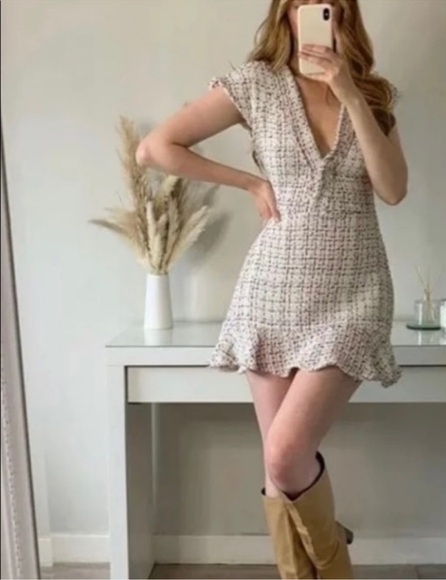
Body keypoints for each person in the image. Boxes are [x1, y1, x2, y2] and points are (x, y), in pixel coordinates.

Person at [137, 0, 407, 576]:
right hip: (272, 292)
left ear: (345, 14)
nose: (313, 12)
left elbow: (393, 189)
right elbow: (155, 148)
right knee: (277, 467)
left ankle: (333, 560)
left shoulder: (374, 93)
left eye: (327, 3)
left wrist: (350, 93)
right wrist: (248, 182)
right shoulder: (255, 84)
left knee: (286, 455)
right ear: (285, 13)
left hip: (354, 294)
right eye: (301, 3)